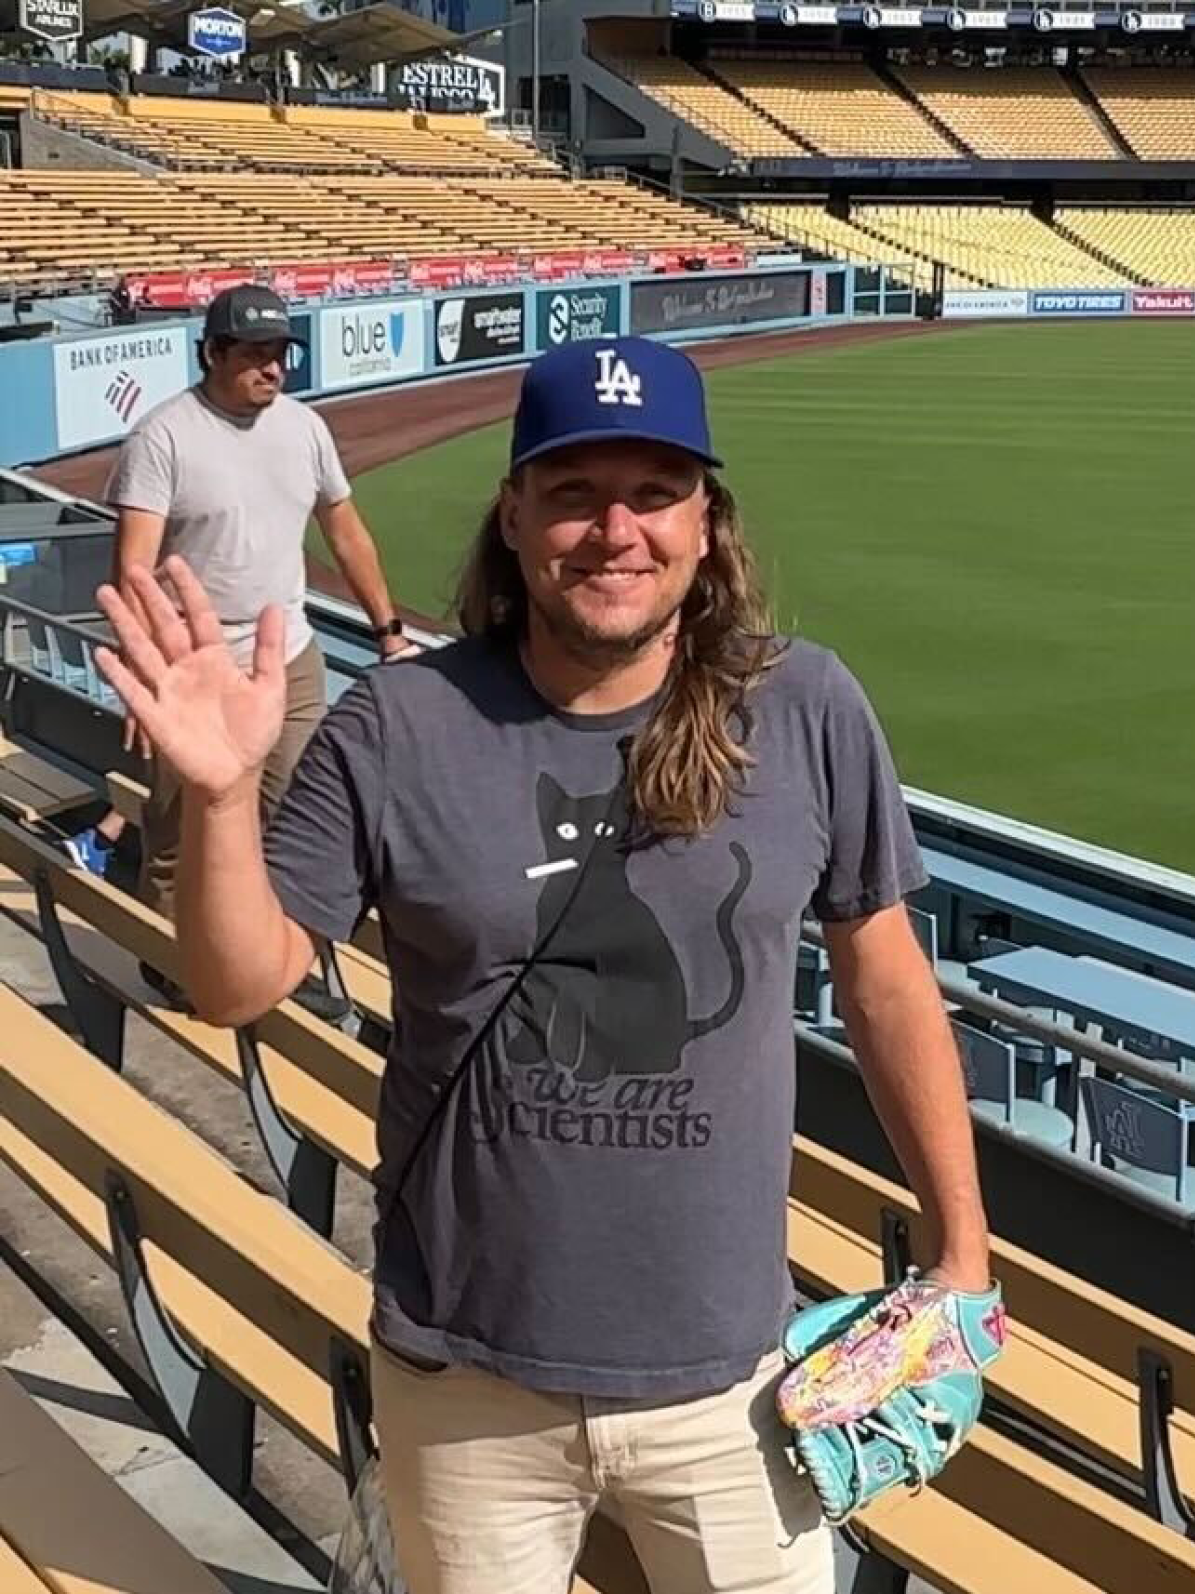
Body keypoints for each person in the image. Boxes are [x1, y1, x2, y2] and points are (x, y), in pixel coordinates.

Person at [95, 336, 992, 1594]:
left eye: (653, 491)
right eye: (573, 491)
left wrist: (961, 1248)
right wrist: (224, 792)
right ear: (513, 513)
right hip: (466, 1380)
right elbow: (238, 985)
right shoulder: (400, 724)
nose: (613, 530)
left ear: (705, 521)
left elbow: (886, 979)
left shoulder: (803, 706)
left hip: (730, 1381)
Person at [105, 283, 415, 1004]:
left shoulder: (304, 429)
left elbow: (345, 531)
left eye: (280, 353)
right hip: (194, 668)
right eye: (254, 354)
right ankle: (169, 956)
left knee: (294, 814)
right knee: (182, 830)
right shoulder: (163, 436)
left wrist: (389, 633)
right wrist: (147, 675)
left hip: (288, 659)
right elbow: (132, 568)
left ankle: (258, 958)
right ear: (212, 353)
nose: (272, 368)